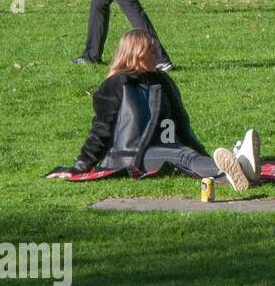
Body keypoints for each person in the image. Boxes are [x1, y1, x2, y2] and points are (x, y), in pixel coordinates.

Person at [48, 30, 258, 191]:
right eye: (153, 51)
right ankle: (233, 167)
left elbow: (180, 123)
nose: (158, 55)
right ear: (138, 54)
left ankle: (233, 170)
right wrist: (80, 166)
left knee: (185, 154)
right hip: (130, 156)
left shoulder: (162, 81)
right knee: (183, 157)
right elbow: (101, 130)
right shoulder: (115, 85)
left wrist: (199, 151)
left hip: (164, 147)